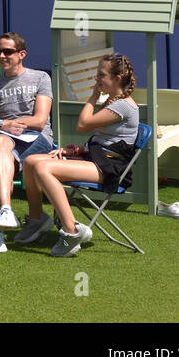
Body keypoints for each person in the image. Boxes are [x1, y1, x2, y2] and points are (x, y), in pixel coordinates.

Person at [18, 53, 142, 257]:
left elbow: (83, 125)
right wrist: (75, 150)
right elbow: (104, 139)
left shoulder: (122, 105)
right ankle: (37, 219)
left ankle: (71, 231)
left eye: (101, 75)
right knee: (30, 162)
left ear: (117, 78)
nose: (97, 79)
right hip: (97, 158)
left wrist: (93, 96)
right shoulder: (113, 100)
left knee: (42, 167)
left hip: (110, 168)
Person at [0, 32, 54, 240]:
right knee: (2, 143)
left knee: (2, 155)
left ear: (22, 54)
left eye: (8, 52)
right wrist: (4, 125)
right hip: (4, 139)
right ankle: (6, 211)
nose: (2, 56)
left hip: (37, 138)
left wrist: (10, 124)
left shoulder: (41, 78)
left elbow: (40, 120)